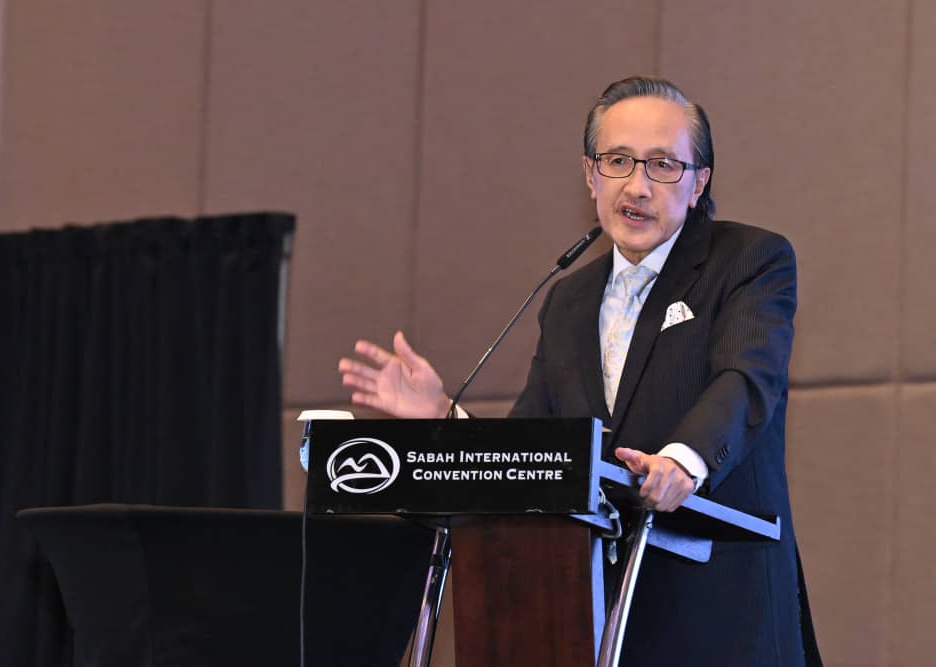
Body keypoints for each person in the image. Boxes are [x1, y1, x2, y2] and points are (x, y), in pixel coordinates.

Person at [339, 76, 820, 666]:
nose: (637, 185)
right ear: (591, 175)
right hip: (591, 620)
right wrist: (444, 418)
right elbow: (531, 452)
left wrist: (683, 461)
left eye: (663, 165)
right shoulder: (568, 300)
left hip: (721, 617)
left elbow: (746, 380)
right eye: (618, 161)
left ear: (699, 183)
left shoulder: (749, 261)